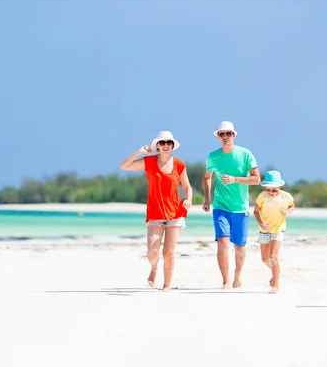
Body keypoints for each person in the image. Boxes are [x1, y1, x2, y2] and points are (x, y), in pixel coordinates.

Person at [120, 131, 192, 291]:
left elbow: (187, 186)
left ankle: (167, 285)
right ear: (157, 146)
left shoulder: (179, 164)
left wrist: (189, 199)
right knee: (152, 252)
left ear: (172, 146)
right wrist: (140, 151)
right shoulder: (148, 161)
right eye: (162, 142)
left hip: (175, 213)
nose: (166, 145)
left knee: (169, 252)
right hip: (155, 214)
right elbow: (124, 166)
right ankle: (154, 268)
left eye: (169, 143)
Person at [202, 121, 260, 289]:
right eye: (222, 134)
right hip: (220, 205)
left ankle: (237, 276)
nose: (225, 137)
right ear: (218, 137)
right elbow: (207, 177)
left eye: (228, 134)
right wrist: (207, 199)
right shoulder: (213, 156)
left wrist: (235, 179)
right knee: (222, 242)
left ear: (234, 135)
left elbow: (256, 179)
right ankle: (225, 280)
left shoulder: (245, 154)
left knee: (240, 247)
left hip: (240, 208)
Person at [253, 170, 295, 294]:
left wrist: (288, 211)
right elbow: (255, 211)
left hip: (278, 228)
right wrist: (260, 223)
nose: (271, 192)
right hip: (264, 230)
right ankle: (276, 273)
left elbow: (292, 206)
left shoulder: (286, 197)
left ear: (280, 187)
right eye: (268, 189)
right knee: (265, 259)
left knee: (273, 256)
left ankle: (275, 285)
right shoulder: (262, 196)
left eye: (274, 190)